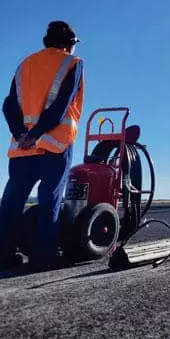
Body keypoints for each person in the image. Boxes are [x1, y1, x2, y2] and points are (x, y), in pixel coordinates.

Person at [0, 21, 84, 271]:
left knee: (11, 203)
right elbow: (60, 105)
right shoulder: (73, 64)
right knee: (50, 201)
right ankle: (43, 257)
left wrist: (22, 134)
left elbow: (8, 105)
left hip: (22, 149)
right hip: (54, 146)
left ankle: (3, 255)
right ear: (68, 45)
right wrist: (37, 133)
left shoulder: (24, 65)